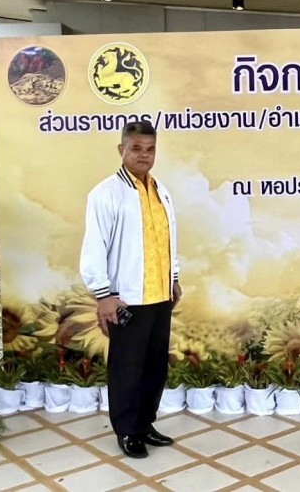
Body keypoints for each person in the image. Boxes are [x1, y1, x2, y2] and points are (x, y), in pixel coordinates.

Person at [80, 120, 182, 459]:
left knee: (154, 366)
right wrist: (103, 295)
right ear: (121, 149)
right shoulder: (106, 194)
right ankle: (127, 430)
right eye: (136, 148)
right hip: (126, 298)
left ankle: (144, 423)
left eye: (150, 149)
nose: (144, 155)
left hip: (160, 295)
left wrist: (174, 278)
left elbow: (167, 238)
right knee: (127, 367)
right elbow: (95, 246)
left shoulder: (161, 191)